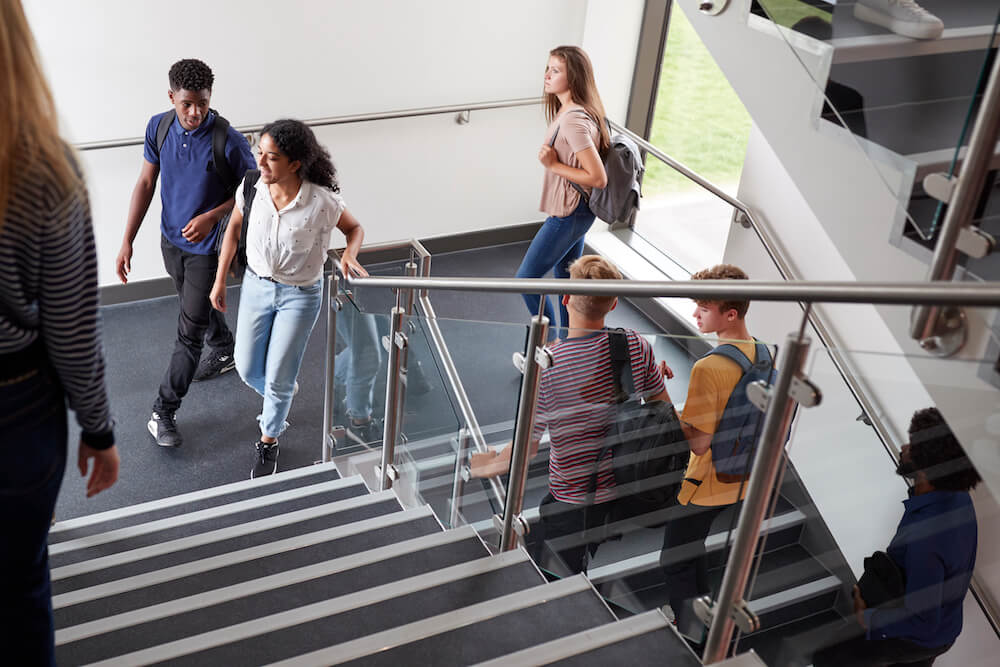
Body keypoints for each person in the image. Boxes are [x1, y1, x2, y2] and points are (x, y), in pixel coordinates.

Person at [0, 1, 120, 662]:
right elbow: (74, 334)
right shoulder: (44, 171)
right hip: (16, 411)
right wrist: (99, 432)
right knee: (18, 586)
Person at [470, 255, 669, 574]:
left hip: (573, 495)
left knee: (549, 566)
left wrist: (483, 465)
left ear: (565, 300)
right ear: (613, 303)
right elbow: (662, 411)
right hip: (623, 484)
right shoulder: (635, 344)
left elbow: (526, 449)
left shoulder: (547, 365)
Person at [210, 119, 367, 478]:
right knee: (247, 366)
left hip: (300, 295)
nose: (261, 163)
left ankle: (269, 439)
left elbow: (354, 228)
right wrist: (220, 281)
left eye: (272, 158)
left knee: (279, 377)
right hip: (256, 286)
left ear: (295, 163)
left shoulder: (322, 201)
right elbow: (234, 227)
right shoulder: (252, 185)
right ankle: (281, 393)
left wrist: (349, 254)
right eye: (260, 154)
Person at [116, 58, 257, 448]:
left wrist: (212, 217)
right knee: (191, 303)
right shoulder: (158, 127)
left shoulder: (228, 139)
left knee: (187, 333)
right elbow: (146, 183)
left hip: (208, 249)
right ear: (172, 98)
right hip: (170, 241)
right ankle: (225, 349)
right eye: (187, 104)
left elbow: (252, 192)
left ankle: (163, 411)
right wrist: (127, 239)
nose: (196, 112)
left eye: (204, 104)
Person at [813, 407, 980, 667]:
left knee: (827, 657)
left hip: (916, 636)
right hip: (943, 629)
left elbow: (923, 621)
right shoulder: (957, 496)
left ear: (927, 467)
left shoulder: (928, 537)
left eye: (912, 446)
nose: (903, 448)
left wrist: (865, 618)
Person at [656, 264, 759, 643]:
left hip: (705, 482)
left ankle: (691, 634)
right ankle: (703, 614)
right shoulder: (765, 354)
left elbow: (698, 443)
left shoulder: (708, 367)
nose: (695, 313)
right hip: (746, 478)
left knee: (673, 557)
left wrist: (661, 394)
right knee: (691, 546)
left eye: (703, 307)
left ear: (730, 314)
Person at [516, 45, 609, 335]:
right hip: (575, 212)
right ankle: (571, 346)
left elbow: (597, 177)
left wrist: (552, 165)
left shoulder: (573, 120)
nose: (547, 75)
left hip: (569, 213)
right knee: (565, 281)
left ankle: (554, 342)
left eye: (555, 71)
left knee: (526, 279)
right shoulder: (568, 111)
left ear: (575, 77)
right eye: (547, 68)